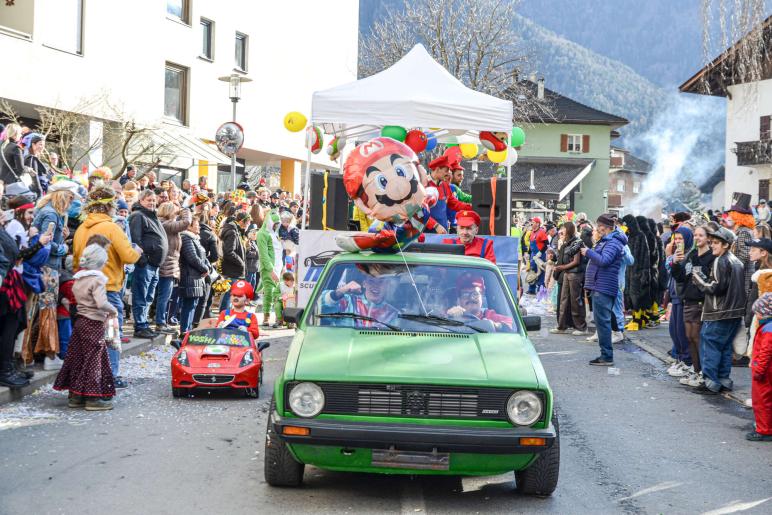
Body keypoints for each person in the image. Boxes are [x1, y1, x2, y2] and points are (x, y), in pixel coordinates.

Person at [53, 243, 118, 410]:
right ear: (100, 262)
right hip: (94, 322)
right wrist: (114, 310)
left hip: (80, 321)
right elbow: (101, 303)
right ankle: (93, 399)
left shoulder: (79, 278)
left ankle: (75, 396)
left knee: (78, 358)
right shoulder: (97, 280)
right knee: (94, 361)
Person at [691, 226, 746, 395]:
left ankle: (710, 382)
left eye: (716, 243)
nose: (712, 245)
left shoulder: (720, 260)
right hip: (734, 312)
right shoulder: (736, 261)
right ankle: (723, 380)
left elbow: (715, 287)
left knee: (710, 346)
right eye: (712, 242)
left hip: (718, 312)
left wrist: (697, 277)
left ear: (726, 245)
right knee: (724, 347)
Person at [670, 225, 715, 388]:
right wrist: (675, 263)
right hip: (688, 300)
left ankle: (703, 373)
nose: (697, 238)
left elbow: (711, 281)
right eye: (695, 235)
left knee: (697, 338)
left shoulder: (711, 257)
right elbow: (681, 277)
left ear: (708, 238)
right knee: (689, 337)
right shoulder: (692, 255)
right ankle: (696, 371)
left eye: (700, 235)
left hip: (701, 302)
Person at [581, 213, 628, 366]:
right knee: (603, 321)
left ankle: (606, 356)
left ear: (604, 227)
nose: (596, 229)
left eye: (598, 226)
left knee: (603, 323)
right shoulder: (607, 241)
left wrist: (588, 252)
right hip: (600, 285)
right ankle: (605, 355)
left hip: (603, 286)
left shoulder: (613, 242)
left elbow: (604, 261)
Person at [129, 189, 168, 339]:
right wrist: (143, 260)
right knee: (141, 295)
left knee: (148, 297)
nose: (152, 203)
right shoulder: (138, 216)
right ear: (141, 201)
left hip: (154, 265)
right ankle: (139, 325)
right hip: (145, 264)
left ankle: (144, 324)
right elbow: (135, 239)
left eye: (153, 200)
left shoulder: (152, 216)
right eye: (148, 200)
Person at [156, 201, 192, 334]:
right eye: (175, 212)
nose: (176, 214)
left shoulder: (166, 224)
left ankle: (162, 321)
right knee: (164, 296)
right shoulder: (166, 224)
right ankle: (160, 323)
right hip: (167, 266)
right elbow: (186, 223)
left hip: (169, 265)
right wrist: (185, 209)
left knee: (165, 296)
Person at [665, 227, 694, 377]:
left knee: (682, 333)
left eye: (680, 239)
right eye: (675, 239)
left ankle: (687, 362)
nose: (677, 242)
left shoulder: (690, 255)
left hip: (683, 297)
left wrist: (674, 261)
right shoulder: (676, 254)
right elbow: (669, 271)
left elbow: (683, 276)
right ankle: (681, 359)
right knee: (674, 331)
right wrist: (671, 258)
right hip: (675, 296)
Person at [321, 274, 399, 328]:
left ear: (386, 285)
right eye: (371, 281)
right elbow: (320, 306)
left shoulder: (392, 313)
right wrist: (342, 290)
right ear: (364, 284)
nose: (376, 285)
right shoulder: (349, 301)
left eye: (381, 282)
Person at [551, 222, 587, 335]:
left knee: (575, 301)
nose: (561, 231)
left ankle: (581, 327)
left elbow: (576, 261)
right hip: (567, 273)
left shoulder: (577, 242)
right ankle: (561, 326)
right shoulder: (566, 242)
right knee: (563, 300)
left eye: (563, 228)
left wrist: (562, 267)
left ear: (569, 230)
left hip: (575, 274)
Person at [425, 148, 472, 233]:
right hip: (427, 232)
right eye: (446, 170)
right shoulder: (423, 184)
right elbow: (419, 211)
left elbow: (454, 203)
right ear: (437, 169)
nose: (448, 173)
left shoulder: (445, 185)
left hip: (443, 231)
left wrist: (472, 207)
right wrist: (435, 225)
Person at [178, 217, 209, 337]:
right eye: (196, 224)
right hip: (189, 276)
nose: (199, 227)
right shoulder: (186, 238)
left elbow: (202, 257)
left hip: (196, 276)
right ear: (189, 226)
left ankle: (189, 330)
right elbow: (192, 257)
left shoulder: (194, 238)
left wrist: (207, 267)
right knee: (188, 305)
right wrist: (204, 268)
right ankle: (184, 331)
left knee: (193, 304)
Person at [447, 273, 513, 331]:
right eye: (465, 294)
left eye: (475, 294)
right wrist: (451, 318)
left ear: (482, 296)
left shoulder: (489, 315)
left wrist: (494, 325)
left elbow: (511, 325)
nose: (471, 298)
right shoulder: (452, 315)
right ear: (459, 300)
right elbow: (441, 324)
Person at [748, 292, 772, 441]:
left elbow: (765, 353)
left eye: (757, 313)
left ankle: (764, 430)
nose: (756, 316)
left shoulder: (768, 329)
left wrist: (758, 371)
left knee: (761, 401)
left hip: (764, 372)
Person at [193, 211, 220, 327]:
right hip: (205, 269)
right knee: (204, 297)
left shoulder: (189, 234)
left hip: (191, 268)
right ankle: (199, 321)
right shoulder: (210, 235)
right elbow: (215, 256)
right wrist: (206, 261)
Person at [257, 211, 283, 328]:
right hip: (269, 268)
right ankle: (266, 317)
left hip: (279, 266)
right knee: (269, 292)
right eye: (275, 223)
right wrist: (271, 270)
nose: (276, 226)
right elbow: (263, 254)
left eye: (278, 224)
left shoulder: (275, 233)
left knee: (278, 293)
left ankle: (279, 317)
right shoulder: (262, 234)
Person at [219, 211, 249, 311]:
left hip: (234, 268)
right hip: (232, 269)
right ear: (241, 221)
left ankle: (227, 312)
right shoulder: (232, 232)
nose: (248, 225)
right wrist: (241, 262)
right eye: (247, 222)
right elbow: (229, 252)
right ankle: (224, 314)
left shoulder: (237, 231)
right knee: (229, 293)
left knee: (232, 293)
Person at [528, 217, 549, 294]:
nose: (531, 224)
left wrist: (540, 252)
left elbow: (546, 244)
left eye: (533, 222)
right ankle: (531, 289)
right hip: (533, 255)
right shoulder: (532, 232)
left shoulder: (542, 232)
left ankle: (541, 290)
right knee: (532, 271)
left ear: (537, 224)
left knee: (541, 272)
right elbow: (531, 245)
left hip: (540, 255)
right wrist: (528, 253)